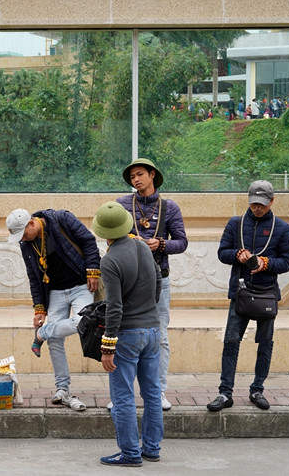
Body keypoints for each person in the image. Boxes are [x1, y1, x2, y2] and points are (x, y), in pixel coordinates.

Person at [208, 180, 289, 412]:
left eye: (262, 205)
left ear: (272, 201)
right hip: (240, 292)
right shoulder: (236, 224)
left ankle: (257, 389)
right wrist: (238, 254)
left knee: (265, 343)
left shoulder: (282, 228)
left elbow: (287, 261)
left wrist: (265, 263)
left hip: (267, 294)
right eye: (254, 204)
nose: (258, 208)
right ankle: (225, 393)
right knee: (231, 342)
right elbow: (222, 253)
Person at [6, 208, 101, 412]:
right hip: (55, 293)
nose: (22, 239)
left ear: (31, 223)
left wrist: (93, 270)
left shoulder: (61, 219)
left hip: (80, 286)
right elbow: (34, 276)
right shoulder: (26, 244)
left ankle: (42, 334)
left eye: (23, 233)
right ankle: (62, 388)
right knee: (56, 340)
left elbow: (88, 241)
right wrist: (39, 307)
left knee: (83, 322)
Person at [92, 202, 163, 467]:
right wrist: (150, 311)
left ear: (104, 232)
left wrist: (107, 346)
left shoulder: (110, 260)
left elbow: (114, 307)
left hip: (128, 334)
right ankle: (152, 448)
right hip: (153, 330)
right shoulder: (143, 247)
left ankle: (131, 453)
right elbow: (157, 281)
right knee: (152, 392)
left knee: (122, 396)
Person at [116, 158, 188, 411]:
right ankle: (120, 394)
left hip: (160, 279)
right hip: (128, 280)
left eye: (139, 174)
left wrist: (161, 244)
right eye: (132, 176)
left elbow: (182, 242)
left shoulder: (170, 207)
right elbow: (111, 235)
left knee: (160, 335)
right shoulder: (122, 204)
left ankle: (158, 391)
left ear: (152, 175)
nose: (135, 179)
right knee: (121, 333)